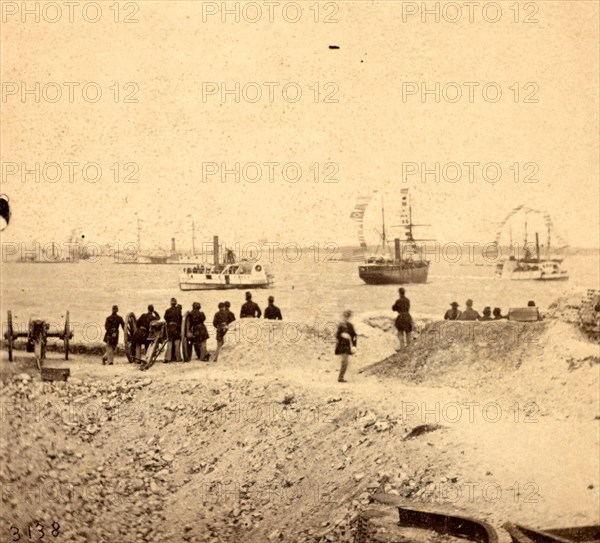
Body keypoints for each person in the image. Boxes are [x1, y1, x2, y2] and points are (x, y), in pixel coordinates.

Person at [335, 310, 357, 383]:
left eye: (347, 317)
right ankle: (340, 378)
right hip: (341, 346)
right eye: (345, 317)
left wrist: (354, 345)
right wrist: (342, 335)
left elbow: (354, 336)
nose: (346, 318)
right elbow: (337, 335)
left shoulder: (350, 326)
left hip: (347, 346)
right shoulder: (340, 325)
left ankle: (342, 377)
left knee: (346, 362)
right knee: (345, 361)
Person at [164, 298, 182, 362]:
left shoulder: (167, 310)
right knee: (177, 342)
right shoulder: (178, 310)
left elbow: (165, 318)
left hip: (170, 328)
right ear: (176, 303)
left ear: (170, 303)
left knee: (170, 342)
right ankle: (178, 358)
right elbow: (180, 319)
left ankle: (167, 358)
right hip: (176, 327)